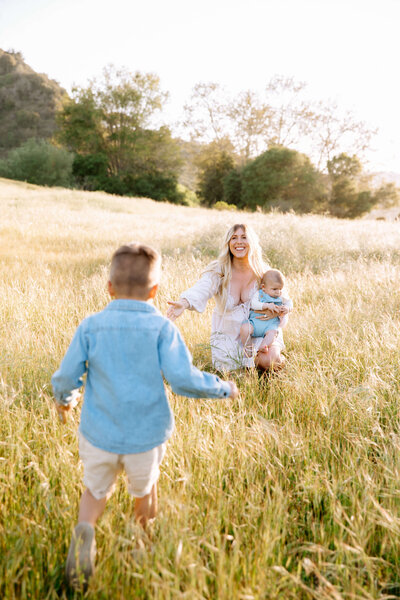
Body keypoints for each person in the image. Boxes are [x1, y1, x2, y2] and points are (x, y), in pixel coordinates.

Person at [52, 243, 238, 588]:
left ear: (109, 287)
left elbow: (65, 376)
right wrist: (222, 387)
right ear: (155, 290)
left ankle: (85, 532)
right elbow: (183, 380)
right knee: (145, 490)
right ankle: (142, 545)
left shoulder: (91, 326)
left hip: (99, 434)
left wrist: (66, 399)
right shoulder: (162, 329)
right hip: (146, 436)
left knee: (94, 490)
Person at [167, 224, 291, 371]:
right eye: (234, 238)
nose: (239, 242)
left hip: (259, 331)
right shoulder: (219, 269)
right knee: (235, 374)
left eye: (244, 237)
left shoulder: (262, 271)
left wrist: (279, 312)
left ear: (252, 242)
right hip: (228, 335)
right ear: (228, 243)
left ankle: (276, 361)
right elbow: (202, 288)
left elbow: (284, 299)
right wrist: (184, 302)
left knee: (269, 361)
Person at [240, 269, 291, 362]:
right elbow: (253, 304)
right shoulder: (259, 294)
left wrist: (287, 308)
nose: (278, 292)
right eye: (275, 289)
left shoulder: (281, 296)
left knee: (273, 333)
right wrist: (266, 305)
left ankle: (263, 346)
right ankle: (248, 349)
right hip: (255, 323)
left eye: (280, 289)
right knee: (244, 328)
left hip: (270, 325)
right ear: (263, 287)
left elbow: (289, 302)